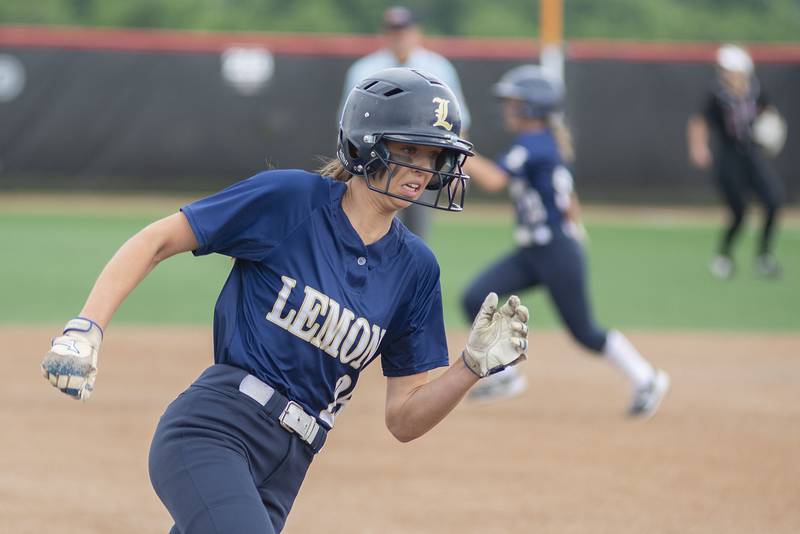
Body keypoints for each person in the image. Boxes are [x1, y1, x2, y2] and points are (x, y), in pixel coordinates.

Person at [40, 67, 529, 534]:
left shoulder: (416, 269)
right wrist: (87, 326)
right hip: (216, 430)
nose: (422, 170)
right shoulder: (290, 200)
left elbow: (403, 419)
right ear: (366, 144)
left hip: (288, 468)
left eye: (434, 156)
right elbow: (157, 240)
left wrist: (469, 366)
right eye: (409, 149)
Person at [460, 65, 669, 418]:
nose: (507, 109)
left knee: (583, 330)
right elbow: (569, 201)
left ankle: (647, 377)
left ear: (535, 107)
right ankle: (506, 375)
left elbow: (495, 180)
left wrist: (460, 148)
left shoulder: (534, 143)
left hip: (555, 250)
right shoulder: (540, 143)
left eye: (515, 102)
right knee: (473, 299)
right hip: (536, 249)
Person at [340, 5, 471, 241]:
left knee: (416, 238)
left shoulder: (439, 67)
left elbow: (457, 127)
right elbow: (349, 126)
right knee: (372, 229)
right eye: (393, 31)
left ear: (416, 32)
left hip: (424, 158)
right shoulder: (363, 68)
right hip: (378, 160)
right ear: (384, 34)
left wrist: (453, 166)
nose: (398, 37)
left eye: (403, 30)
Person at [687, 43, 785, 279]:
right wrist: (698, 147)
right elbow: (699, 121)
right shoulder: (717, 95)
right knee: (739, 211)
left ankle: (764, 256)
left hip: (751, 154)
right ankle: (724, 256)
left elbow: (769, 115)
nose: (726, 74)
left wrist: (772, 133)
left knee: (773, 200)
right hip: (729, 156)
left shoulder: (756, 91)